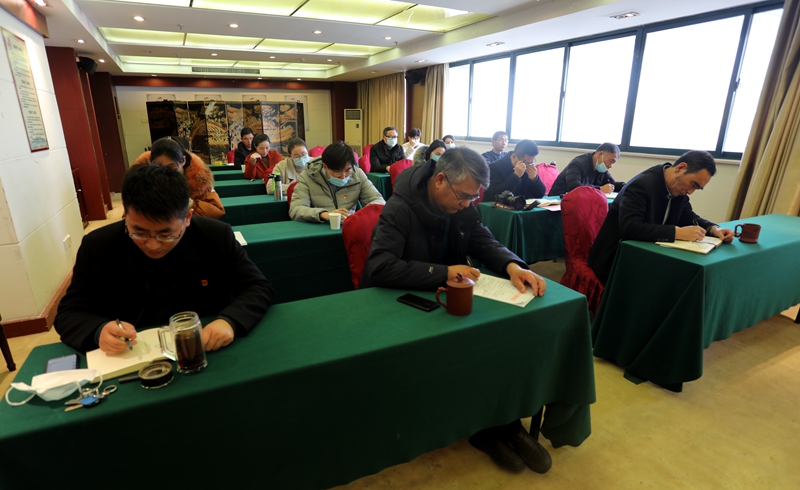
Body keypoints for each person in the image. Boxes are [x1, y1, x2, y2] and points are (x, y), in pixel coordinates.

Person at [361, 147, 551, 475]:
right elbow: (380, 267)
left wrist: (511, 265)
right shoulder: (400, 207)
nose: (466, 205)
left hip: (452, 294)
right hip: (407, 302)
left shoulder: (462, 202)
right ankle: (477, 426)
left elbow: (482, 239)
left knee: (499, 334)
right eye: (463, 197)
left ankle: (503, 420)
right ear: (439, 180)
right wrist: (442, 272)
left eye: (473, 198)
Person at [55, 164, 273, 354]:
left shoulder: (214, 236)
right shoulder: (98, 246)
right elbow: (69, 312)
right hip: (130, 356)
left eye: (166, 235)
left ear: (187, 217)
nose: (152, 245)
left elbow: (257, 286)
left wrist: (229, 320)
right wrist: (98, 331)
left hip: (205, 349)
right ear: (126, 214)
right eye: (139, 233)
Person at [588, 150, 735, 285]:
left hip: (647, 254)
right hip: (615, 258)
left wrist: (713, 229)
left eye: (697, 188)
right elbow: (630, 228)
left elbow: (688, 216)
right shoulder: (641, 185)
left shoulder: (677, 188)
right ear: (680, 168)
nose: (691, 192)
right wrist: (677, 233)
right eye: (693, 184)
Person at [289, 141, 385, 223]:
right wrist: (324, 214)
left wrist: (360, 215)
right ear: (325, 167)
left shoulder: (357, 174)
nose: (343, 176)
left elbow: (378, 201)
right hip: (321, 227)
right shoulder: (308, 176)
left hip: (350, 225)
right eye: (337, 171)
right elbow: (296, 209)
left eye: (347, 170)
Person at [132, 137, 225, 219]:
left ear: (183, 160)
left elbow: (216, 210)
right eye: (160, 167)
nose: (166, 172)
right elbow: (129, 216)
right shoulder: (141, 180)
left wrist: (187, 203)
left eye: (171, 167)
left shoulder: (199, 179)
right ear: (151, 164)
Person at [549, 142, 625, 196]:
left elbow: (612, 185)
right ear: (600, 154)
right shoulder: (577, 163)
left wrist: (626, 187)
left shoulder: (601, 168)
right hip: (557, 202)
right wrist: (599, 189)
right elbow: (574, 187)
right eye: (611, 161)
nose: (611, 166)